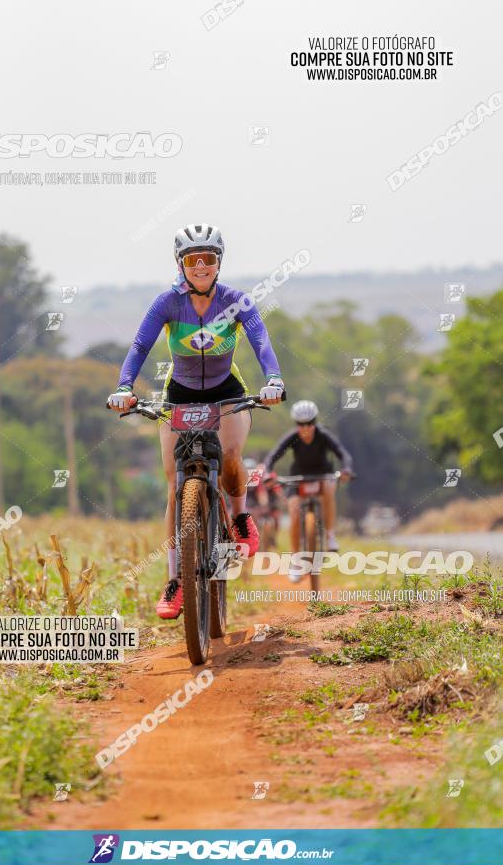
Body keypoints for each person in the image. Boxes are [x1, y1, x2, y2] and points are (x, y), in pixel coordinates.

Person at [107, 224, 285, 618]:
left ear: (219, 264)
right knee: (174, 483)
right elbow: (139, 345)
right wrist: (123, 386)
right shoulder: (167, 304)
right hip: (180, 393)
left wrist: (273, 379)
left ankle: (239, 517)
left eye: (209, 259)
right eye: (193, 260)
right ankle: (175, 579)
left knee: (233, 453)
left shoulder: (237, 301)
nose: (202, 266)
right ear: (181, 264)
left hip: (226, 390)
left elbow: (261, 342)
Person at [264, 400, 353, 569]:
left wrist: (347, 469)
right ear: (296, 424)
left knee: (328, 488)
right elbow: (273, 455)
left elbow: (342, 453)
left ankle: (330, 536)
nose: (306, 428)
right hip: (299, 476)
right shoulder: (292, 437)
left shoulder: (324, 435)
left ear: (315, 421)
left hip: (322, 474)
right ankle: (296, 560)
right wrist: (268, 472)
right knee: (294, 510)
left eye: (310, 423)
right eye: (301, 424)